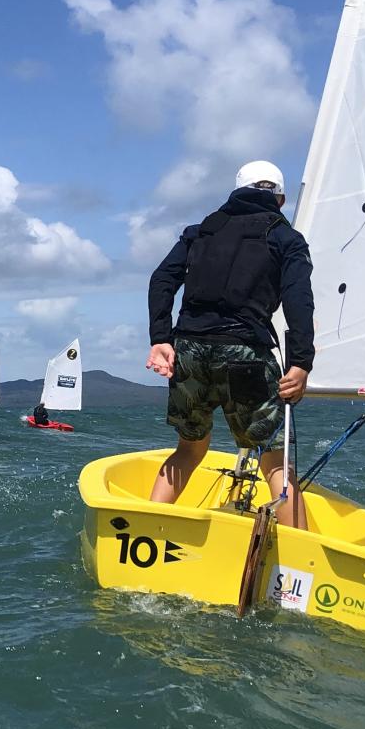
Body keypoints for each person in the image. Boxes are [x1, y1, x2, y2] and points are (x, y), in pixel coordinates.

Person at [146, 160, 314, 528]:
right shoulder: (286, 238)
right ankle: (300, 553)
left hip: (189, 350)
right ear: (281, 200)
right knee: (274, 460)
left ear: (236, 192)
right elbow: (298, 300)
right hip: (246, 355)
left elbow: (161, 280)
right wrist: (301, 362)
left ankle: (150, 530)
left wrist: (160, 339)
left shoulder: (200, 231)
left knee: (189, 449)